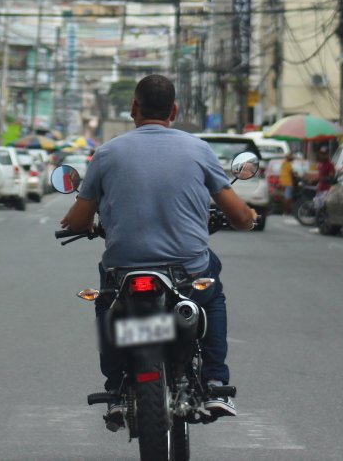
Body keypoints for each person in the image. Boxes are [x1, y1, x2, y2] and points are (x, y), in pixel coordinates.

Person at [60, 74, 256, 424]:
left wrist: (86, 223)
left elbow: (76, 222)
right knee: (213, 294)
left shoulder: (106, 153)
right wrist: (249, 217)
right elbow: (240, 216)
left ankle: (117, 385)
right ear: (175, 110)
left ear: (134, 108)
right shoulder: (198, 149)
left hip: (124, 270)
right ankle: (213, 382)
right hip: (187, 272)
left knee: (107, 300)